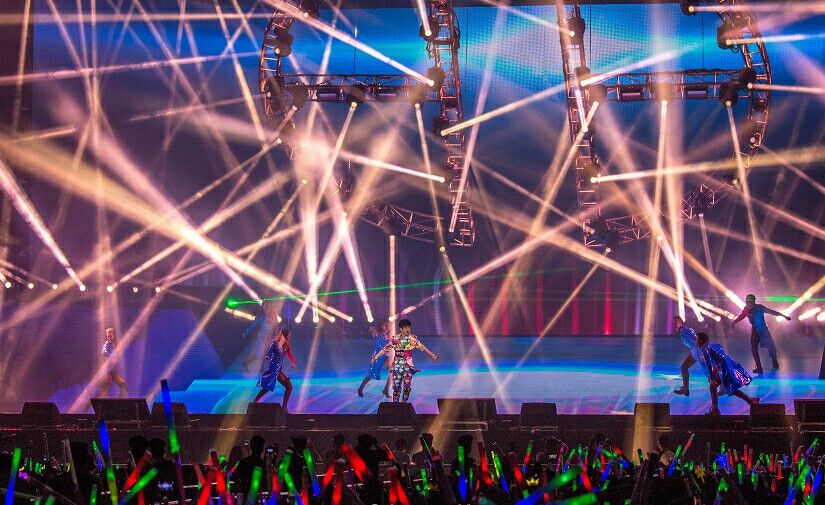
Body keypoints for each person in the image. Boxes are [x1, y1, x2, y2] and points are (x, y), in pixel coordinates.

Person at [371, 319, 438, 403]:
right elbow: (385, 349)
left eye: (409, 327)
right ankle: (396, 405)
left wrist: (432, 355)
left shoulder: (412, 339)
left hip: (408, 367)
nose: (407, 329)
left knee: (407, 386)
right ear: (401, 329)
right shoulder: (395, 339)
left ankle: (404, 403)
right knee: (396, 387)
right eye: (405, 327)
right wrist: (376, 357)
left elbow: (422, 347)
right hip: (397, 366)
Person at [695, 332, 759, 415]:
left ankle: (715, 409)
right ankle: (751, 401)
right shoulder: (713, 345)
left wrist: (712, 378)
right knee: (727, 388)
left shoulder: (705, 349)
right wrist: (716, 370)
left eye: (696, 339)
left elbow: (709, 364)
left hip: (724, 369)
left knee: (719, 387)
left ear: (701, 340)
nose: (695, 341)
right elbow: (720, 357)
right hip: (726, 366)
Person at [732, 293, 790, 373]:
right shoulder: (746, 309)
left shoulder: (760, 307)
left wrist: (784, 316)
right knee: (754, 348)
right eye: (747, 301)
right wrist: (734, 322)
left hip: (763, 330)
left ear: (753, 301)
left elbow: (772, 312)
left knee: (770, 346)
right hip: (755, 330)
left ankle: (774, 361)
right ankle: (759, 367)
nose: (747, 303)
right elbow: (742, 316)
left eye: (749, 301)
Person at [252, 327, 296, 413]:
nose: (288, 338)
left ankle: (284, 407)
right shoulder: (275, 343)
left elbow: (289, 353)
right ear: (283, 335)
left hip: (279, 370)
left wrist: (293, 362)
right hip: (273, 369)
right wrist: (268, 356)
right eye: (287, 336)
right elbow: (270, 352)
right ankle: (254, 403)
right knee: (267, 387)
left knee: (289, 387)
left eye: (289, 337)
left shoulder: (286, 345)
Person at [357, 319, 393, 397]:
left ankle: (386, 390)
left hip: (386, 357)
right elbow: (372, 329)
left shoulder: (389, 336)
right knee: (371, 374)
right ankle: (360, 388)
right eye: (386, 325)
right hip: (377, 357)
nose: (388, 327)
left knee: (392, 372)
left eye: (389, 326)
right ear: (382, 326)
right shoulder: (378, 334)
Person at [672, 316, 700, 396]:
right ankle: (685, 389)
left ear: (681, 323)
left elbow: (695, 339)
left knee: (708, 371)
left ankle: (686, 389)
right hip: (696, 351)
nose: (674, 325)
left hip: (698, 351)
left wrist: (698, 349)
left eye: (676, 323)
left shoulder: (684, 331)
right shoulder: (683, 331)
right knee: (684, 367)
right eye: (673, 323)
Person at [98, 328, 128, 398]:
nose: (109, 338)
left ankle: (120, 402)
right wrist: (111, 356)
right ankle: (92, 402)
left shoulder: (114, 344)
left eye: (110, 336)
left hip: (112, 371)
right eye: (108, 336)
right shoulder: (107, 344)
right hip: (107, 371)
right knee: (105, 390)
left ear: (113, 336)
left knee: (124, 387)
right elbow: (104, 352)